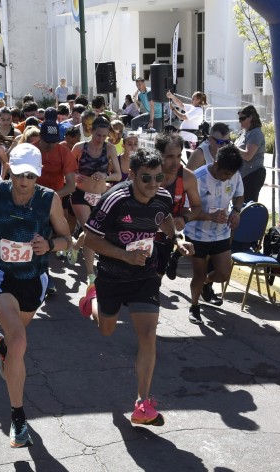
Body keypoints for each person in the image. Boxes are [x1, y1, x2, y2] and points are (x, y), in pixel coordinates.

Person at [0, 143, 72, 447]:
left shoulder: (48, 200)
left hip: (33, 281)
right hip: (0, 277)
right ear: (9, 168)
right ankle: (18, 418)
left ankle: (3, 347)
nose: (24, 182)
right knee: (20, 341)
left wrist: (50, 246)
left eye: (31, 176)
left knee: (14, 343)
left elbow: (67, 239)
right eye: (19, 174)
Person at [81, 149, 194, 427]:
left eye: (159, 178)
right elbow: (89, 240)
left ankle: (142, 403)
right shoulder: (115, 200)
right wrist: (124, 256)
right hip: (112, 275)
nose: (154, 184)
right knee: (106, 330)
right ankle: (92, 299)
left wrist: (177, 239)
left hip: (144, 276)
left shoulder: (163, 197)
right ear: (131, 176)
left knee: (148, 335)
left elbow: (165, 218)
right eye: (146, 178)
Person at [184, 144, 244, 324]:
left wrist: (237, 211)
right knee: (199, 273)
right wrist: (209, 216)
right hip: (197, 234)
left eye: (231, 175)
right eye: (225, 174)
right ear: (216, 164)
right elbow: (187, 210)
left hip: (221, 233)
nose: (228, 179)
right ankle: (194, 307)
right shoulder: (198, 178)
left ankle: (206, 284)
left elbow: (239, 195)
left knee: (224, 274)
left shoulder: (234, 175)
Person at [69, 116, 121, 285]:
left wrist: (105, 175)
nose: (101, 139)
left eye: (105, 136)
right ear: (91, 132)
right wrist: (76, 176)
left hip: (100, 197)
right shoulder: (79, 147)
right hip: (80, 195)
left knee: (94, 232)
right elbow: (67, 170)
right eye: (98, 135)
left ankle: (76, 247)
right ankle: (91, 274)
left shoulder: (110, 149)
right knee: (91, 232)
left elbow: (118, 175)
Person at [35, 108, 77, 293]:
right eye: (47, 141)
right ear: (40, 137)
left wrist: (51, 196)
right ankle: (43, 275)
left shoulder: (64, 152)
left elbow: (71, 186)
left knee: (52, 237)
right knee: (37, 236)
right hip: (30, 199)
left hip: (54, 200)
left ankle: (43, 273)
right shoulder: (32, 150)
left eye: (54, 141)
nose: (51, 145)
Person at [153, 133, 202, 280]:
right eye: (170, 157)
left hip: (168, 235)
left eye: (178, 156)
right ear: (159, 154)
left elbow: (197, 207)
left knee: (156, 278)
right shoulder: (148, 172)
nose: (175, 162)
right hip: (142, 231)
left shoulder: (188, 177)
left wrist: (184, 218)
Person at [235, 105, 266, 204]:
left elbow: (248, 156)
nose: (240, 121)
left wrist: (231, 147)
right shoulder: (244, 132)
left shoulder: (256, 133)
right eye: (239, 119)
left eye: (242, 118)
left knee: (247, 207)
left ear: (251, 117)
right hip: (242, 175)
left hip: (252, 174)